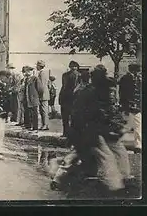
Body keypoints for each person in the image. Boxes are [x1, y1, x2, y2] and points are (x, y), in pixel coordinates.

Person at [72, 65, 131, 195]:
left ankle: (123, 178)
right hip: (89, 130)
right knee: (106, 155)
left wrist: (116, 126)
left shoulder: (97, 89)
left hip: (98, 128)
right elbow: (91, 114)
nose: (112, 93)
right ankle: (115, 185)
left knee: (117, 149)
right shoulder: (89, 92)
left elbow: (108, 110)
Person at [118, 63, 142, 151]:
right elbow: (122, 93)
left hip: (137, 106)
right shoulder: (125, 79)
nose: (137, 73)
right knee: (125, 126)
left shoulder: (139, 79)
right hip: (127, 106)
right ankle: (117, 143)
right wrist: (124, 104)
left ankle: (138, 145)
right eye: (136, 70)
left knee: (138, 125)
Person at [59, 61, 81, 137]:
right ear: (69, 67)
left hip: (74, 98)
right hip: (65, 98)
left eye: (75, 67)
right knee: (65, 117)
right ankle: (65, 133)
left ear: (77, 67)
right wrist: (60, 97)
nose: (73, 68)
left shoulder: (79, 75)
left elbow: (79, 87)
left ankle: (72, 134)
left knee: (73, 117)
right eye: (72, 66)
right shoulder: (65, 75)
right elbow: (63, 86)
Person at [21, 66, 42, 132]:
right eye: (27, 71)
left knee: (34, 114)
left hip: (33, 99)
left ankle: (35, 128)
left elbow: (40, 89)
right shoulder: (26, 79)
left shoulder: (35, 79)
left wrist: (37, 97)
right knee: (27, 113)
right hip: (27, 99)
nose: (28, 72)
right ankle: (28, 126)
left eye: (29, 71)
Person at [36, 60, 50, 130]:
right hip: (43, 94)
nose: (36, 66)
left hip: (43, 94)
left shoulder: (42, 73)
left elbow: (42, 85)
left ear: (40, 66)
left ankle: (45, 124)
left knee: (44, 110)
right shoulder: (42, 73)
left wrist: (39, 94)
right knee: (42, 110)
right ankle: (44, 124)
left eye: (37, 65)